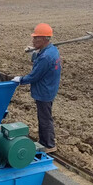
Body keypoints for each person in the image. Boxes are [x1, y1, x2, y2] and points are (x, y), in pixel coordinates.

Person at [12, 23, 61, 153]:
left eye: (36, 38)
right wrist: (34, 53)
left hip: (44, 91)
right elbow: (41, 58)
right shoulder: (52, 50)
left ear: (45, 39)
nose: (33, 40)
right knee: (45, 117)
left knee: (44, 118)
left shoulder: (46, 57)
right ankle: (44, 141)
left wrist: (20, 80)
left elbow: (34, 76)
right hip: (49, 87)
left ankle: (49, 145)